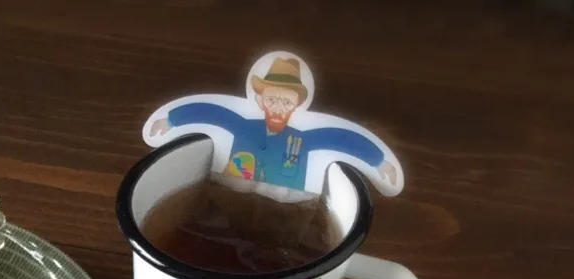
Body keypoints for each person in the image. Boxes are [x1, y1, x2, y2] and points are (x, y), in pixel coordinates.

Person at [149, 56, 397, 192]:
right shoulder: (242, 126)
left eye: (286, 102)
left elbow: (339, 137)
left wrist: (377, 159)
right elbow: (213, 112)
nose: (278, 108)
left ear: (297, 106)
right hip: (228, 197)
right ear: (260, 100)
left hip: (289, 211)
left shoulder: (304, 139)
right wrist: (171, 119)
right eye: (272, 100)